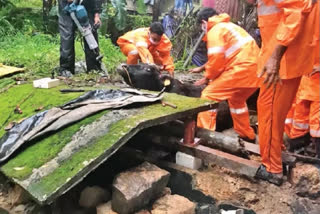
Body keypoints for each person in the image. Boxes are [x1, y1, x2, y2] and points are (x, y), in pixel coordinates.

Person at [247, 0, 319, 185]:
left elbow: (294, 15)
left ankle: (272, 168)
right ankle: (277, 150)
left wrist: (275, 57)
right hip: (288, 60)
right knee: (276, 113)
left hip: (282, 63)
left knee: (268, 113)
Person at [195, 8, 260, 142]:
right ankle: (246, 134)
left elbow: (216, 60)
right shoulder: (231, 27)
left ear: (203, 22)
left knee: (208, 95)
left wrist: (209, 77)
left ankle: (205, 136)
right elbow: (226, 58)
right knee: (237, 100)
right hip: (256, 71)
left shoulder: (215, 30)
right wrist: (208, 74)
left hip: (241, 70)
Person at [285, 17, 320, 155]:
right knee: (300, 119)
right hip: (305, 84)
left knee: (316, 123)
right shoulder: (307, 24)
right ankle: (298, 149)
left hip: (314, 87)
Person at [58, 0, 102, 77]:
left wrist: (96, 14)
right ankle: (66, 69)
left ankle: (94, 68)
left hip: (88, 5)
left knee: (90, 33)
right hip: (66, 6)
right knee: (67, 36)